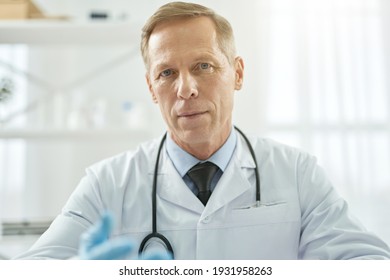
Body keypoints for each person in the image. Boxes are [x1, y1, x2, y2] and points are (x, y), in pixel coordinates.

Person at [15, 1, 390, 260]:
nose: (186, 89)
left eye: (204, 66)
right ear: (151, 88)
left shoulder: (297, 174)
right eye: (166, 73)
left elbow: (369, 264)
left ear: (238, 73)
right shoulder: (107, 184)